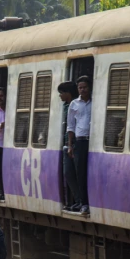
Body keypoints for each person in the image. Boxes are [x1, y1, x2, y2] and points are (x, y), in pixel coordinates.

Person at [66, 76, 92, 214]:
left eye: (85, 87)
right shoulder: (74, 104)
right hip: (80, 141)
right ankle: (84, 203)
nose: (82, 90)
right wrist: (70, 145)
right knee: (80, 173)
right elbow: (70, 126)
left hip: (93, 141)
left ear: (89, 87)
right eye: (80, 88)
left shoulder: (95, 102)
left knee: (91, 172)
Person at [57, 82, 79, 210]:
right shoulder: (65, 106)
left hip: (75, 143)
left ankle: (79, 201)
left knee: (74, 174)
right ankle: (75, 200)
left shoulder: (75, 105)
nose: (60, 96)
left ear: (68, 93)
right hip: (67, 143)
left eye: (61, 93)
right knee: (68, 174)